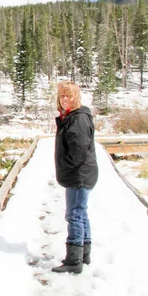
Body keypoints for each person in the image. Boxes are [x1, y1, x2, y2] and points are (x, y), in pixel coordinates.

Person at [52, 80, 98, 274]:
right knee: (81, 212)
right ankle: (84, 254)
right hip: (81, 174)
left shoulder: (77, 119)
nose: (64, 99)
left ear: (76, 97)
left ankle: (73, 260)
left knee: (74, 214)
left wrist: (65, 166)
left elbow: (77, 153)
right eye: (62, 95)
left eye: (68, 95)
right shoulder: (71, 117)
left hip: (79, 175)